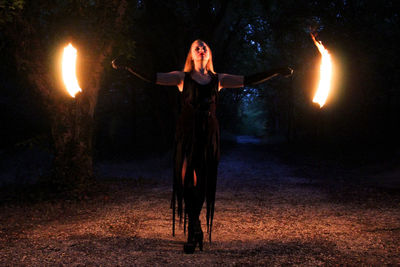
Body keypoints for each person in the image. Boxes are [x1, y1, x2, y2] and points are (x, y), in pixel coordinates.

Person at [112, 39, 293, 254]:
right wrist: (129, 65)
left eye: (204, 47)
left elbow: (249, 80)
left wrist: (277, 71)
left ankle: (193, 229)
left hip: (208, 133)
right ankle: (194, 226)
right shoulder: (181, 78)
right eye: (196, 47)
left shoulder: (219, 79)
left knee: (202, 180)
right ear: (191, 54)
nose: (201, 49)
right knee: (187, 177)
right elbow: (153, 77)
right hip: (187, 132)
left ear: (209, 54)